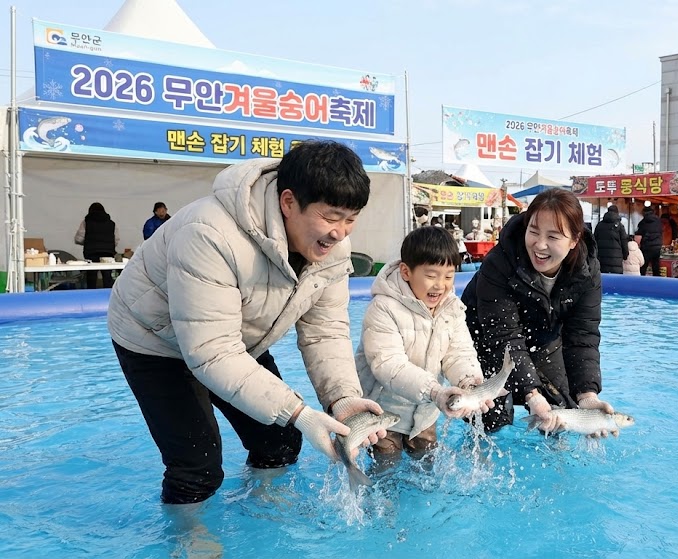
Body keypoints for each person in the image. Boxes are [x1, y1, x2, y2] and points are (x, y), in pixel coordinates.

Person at [107, 141, 388, 505]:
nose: (340, 232)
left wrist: (343, 398)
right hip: (154, 341)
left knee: (280, 441)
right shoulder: (210, 233)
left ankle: (263, 505)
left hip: (235, 339)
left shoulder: (332, 249)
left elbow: (325, 331)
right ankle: (189, 532)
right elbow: (211, 352)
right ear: (289, 202)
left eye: (350, 219)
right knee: (197, 468)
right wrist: (301, 413)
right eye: (331, 217)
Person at [461, 188, 615, 435]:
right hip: (487, 336)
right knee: (491, 416)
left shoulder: (586, 271)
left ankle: (557, 457)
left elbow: (582, 336)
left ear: (574, 240)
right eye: (533, 231)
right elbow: (504, 336)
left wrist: (587, 395)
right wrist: (531, 394)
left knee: (561, 410)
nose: (540, 245)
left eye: (553, 236)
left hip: (543, 336)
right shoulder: (499, 262)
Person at [356, 227, 494, 461]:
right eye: (431, 276)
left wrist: (469, 382)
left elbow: (459, 353)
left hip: (426, 411)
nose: (440, 285)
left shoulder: (451, 308)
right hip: (384, 412)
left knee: (426, 460)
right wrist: (435, 392)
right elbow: (389, 365)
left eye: (448, 276)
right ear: (406, 272)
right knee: (386, 465)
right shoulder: (383, 308)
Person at [74, 202, 119, 288]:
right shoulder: (112, 223)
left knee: (91, 277)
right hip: (108, 253)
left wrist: (88, 242)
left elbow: (78, 238)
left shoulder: (86, 222)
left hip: (91, 252)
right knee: (107, 277)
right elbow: (116, 240)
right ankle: (108, 294)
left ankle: (91, 294)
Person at [593, 205, 628, 274]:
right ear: (617, 213)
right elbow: (624, 241)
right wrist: (625, 255)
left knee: (603, 278)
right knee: (616, 279)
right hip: (616, 259)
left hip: (602, 258)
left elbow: (594, 241)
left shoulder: (599, 225)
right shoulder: (620, 226)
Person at [635, 207, 663, 276]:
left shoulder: (642, 223)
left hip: (646, 247)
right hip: (657, 247)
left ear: (644, 213)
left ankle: (641, 281)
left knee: (643, 267)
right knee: (656, 267)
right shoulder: (658, 221)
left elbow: (638, 237)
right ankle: (657, 280)